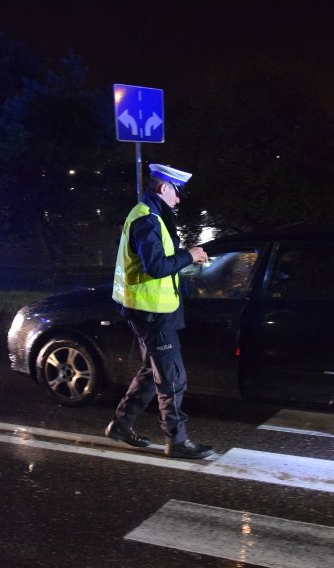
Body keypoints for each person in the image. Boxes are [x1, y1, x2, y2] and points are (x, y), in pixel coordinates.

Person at [105, 163, 215, 459]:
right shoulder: (146, 219)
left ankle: (120, 425)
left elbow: (158, 260)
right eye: (177, 192)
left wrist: (187, 257)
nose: (178, 199)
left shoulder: (149, 215)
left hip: (148, 309)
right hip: (152, 313)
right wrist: (188, 255)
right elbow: (156, 267)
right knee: (172, 379)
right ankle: (176, 441)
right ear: (164, 188)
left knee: (150, 371)